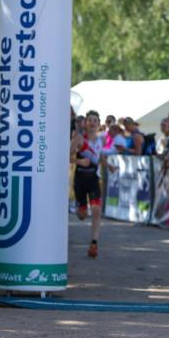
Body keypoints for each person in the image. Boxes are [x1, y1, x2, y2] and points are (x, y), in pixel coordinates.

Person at [70, 110, 103, 258]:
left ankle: (94, 243)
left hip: (94, 179)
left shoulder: (101, 140)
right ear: (85, 123)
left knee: (96, 210)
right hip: (80, 179)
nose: (92, 123)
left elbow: (100, 157)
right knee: (83, 215)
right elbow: (68, 156)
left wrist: (109, 166)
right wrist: (79, 161)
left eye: (95, 120)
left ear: (99, 124)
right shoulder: (79, 139)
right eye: (89, 120)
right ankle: (79, 207)